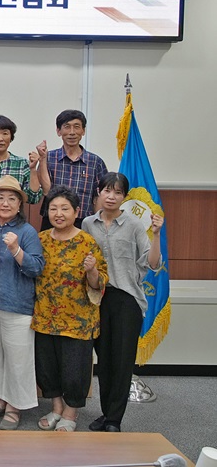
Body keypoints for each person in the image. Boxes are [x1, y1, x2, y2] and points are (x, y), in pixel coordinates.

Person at [83, 172, 163, 433]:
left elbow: (153, 264)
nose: (111, 196)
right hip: (98, 298)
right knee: (104, 360)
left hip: (127, 299)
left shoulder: (135, 225)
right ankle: (106, 413)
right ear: (98, 192)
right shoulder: (87, 224)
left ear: (124, 197)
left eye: (117, 192)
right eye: (107, 190)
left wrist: (156, 234)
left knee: (122, 360)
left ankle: (114, 420)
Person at [33, 186, 108, 432]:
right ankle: (56, 407)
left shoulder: (87, 242)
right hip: (45, 316)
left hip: (78, 320)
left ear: (76, 211)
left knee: (75, 371)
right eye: (53, 208)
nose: (58, 213)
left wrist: (92, 270)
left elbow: (99, 284)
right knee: (47, 368)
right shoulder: (41, 239)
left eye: (65, 208)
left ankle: (71, 412)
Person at [0, 175, 45, 430]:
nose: (5, 203)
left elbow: (37, 268)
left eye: (12, 199)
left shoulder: (27, 232)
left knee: (18, 358)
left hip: (17, 305)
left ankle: (15, 406)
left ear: (19, 205)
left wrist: (16, 250)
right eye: (0, 198)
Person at [40, 109, 108, 230]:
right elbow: (46, 190)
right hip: (53, 221)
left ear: (83, 131)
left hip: (83, 223)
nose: (72, 132)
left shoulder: (95, 162)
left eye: (76, 127)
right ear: (58, 131)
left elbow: (99, 196)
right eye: (67, 127)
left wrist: (98, 223)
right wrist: (42, 160)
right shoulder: (48, 158)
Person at [0, 115, 43, 222]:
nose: (0, 139)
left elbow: (34, 198)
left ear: (11, 137)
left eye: (5, 133)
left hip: (13, 226)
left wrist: (33, 169)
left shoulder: (22, 164)